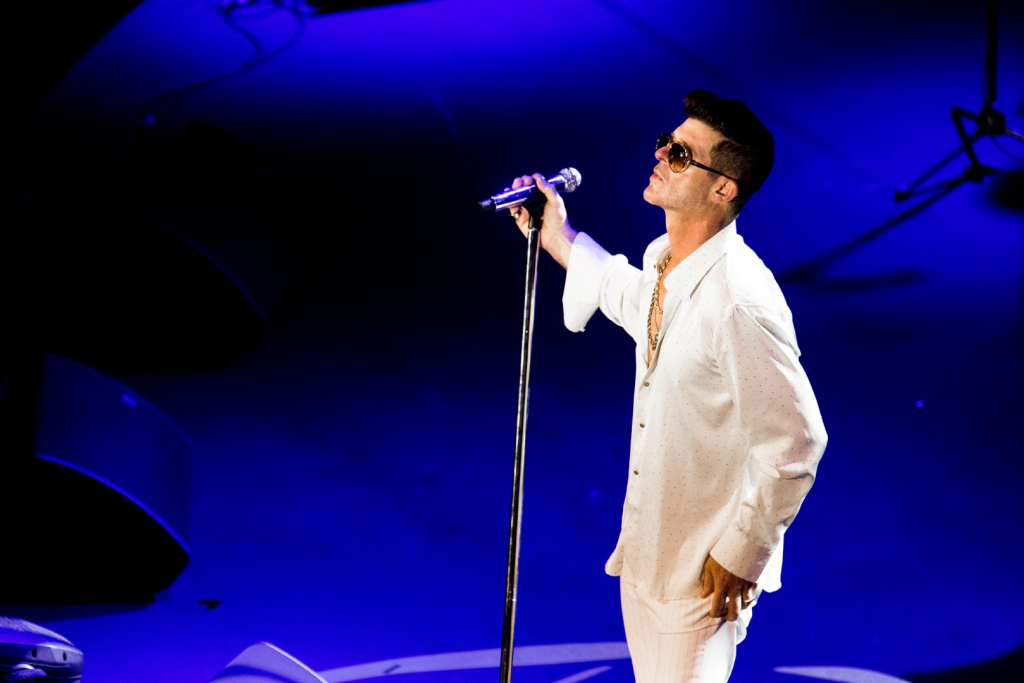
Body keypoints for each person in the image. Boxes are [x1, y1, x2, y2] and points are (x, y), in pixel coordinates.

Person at [508, 89, 828, 682]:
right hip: (649, 554)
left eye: (680, 154)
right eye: (666, 142)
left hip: (700, 578)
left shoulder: (738, 302)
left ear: (723, 188)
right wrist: (557, 234)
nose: (660, 154)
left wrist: (743, 552)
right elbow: (632, 298)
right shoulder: (668, 262)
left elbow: (798, 441)